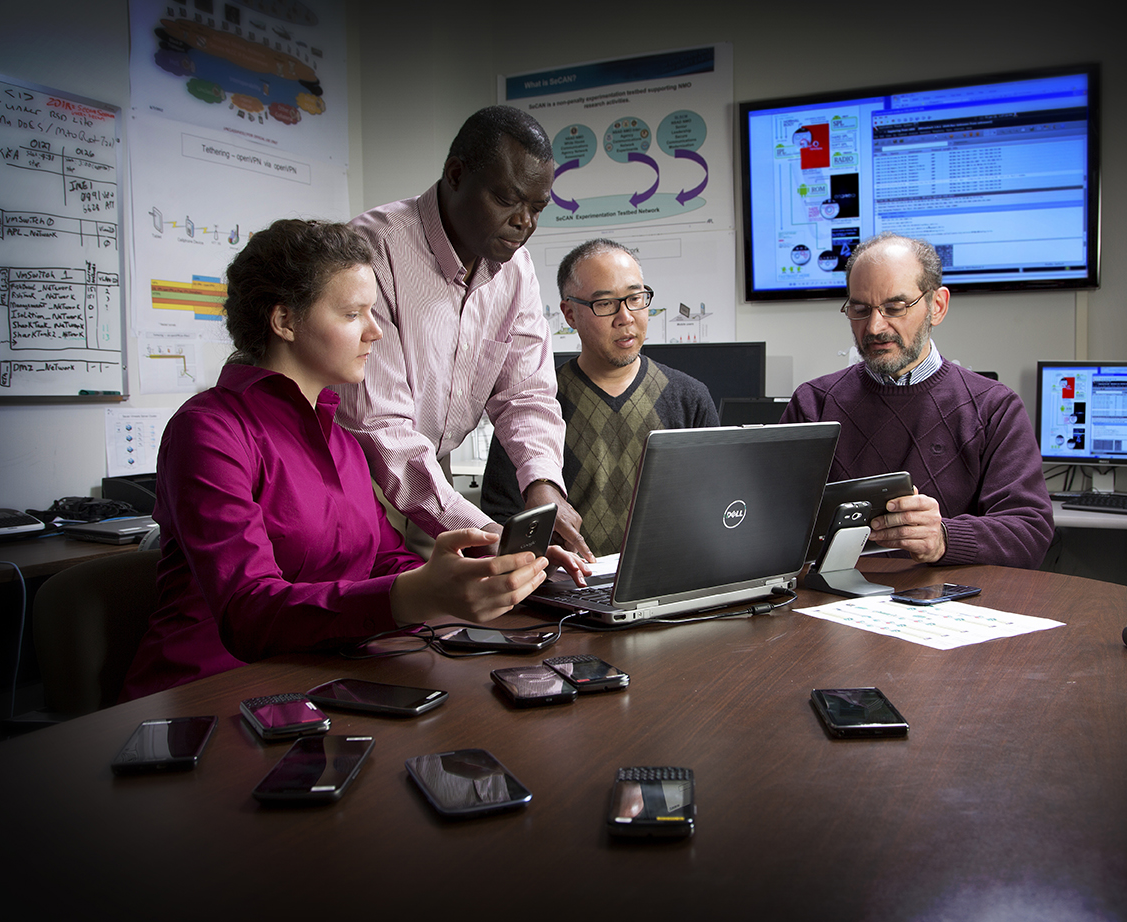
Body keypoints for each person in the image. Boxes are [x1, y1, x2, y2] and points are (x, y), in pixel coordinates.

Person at [120, 220, 550, 700]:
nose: (375, 332)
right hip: (209, 690)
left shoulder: (340, 437)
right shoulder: (209, 431)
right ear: (284, 321)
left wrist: (470, 573)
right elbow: (247, 613)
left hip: (319, 674)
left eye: (374, 311)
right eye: (353, 313)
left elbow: (383, 558)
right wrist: (414, 595)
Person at [333, 105, 592, 571]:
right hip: (356, 477)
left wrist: (543, 486)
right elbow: (379, 428)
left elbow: (527, 394)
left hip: (432, 469)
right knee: (384, 620)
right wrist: (495, 534)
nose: (524, 222)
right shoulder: (376, 250)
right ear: (455, 174)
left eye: (537, 208)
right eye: (508, 200)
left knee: (451, 628)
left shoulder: (516, 269)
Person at [780, 232, 1054, 569]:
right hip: (832, 604)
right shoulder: (814, 404)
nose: (875, 326)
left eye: (894, 307)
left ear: (936, 307)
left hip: (952, 608)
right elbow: (771, 522)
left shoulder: (993, 407)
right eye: (860, 309)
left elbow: (1029, 533)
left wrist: (943, 538)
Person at [480, 239, 719, 553]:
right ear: (570, 314)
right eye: (605, 304)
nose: (625, 317)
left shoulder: (689, 397)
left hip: (666, 584)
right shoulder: (532, 404)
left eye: (635, 298)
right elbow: (500, 515)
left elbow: (719, 506)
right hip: (568, 585)